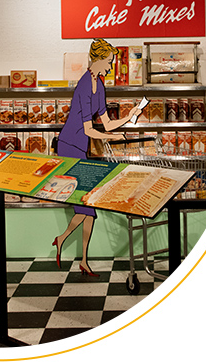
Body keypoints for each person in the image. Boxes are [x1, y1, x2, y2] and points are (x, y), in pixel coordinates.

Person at [53, 38, 142, 277]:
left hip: (82, 147)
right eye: (109, 62)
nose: (111, 67)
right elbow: (89, 129)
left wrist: (129, 116)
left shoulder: (99, 85)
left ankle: (72, 249)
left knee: (88, 206)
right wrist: (112, 138)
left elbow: (107, 123)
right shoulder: (84, 84)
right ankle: (76, 253)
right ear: (98, 59)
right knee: (87, 206)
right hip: (69, 146)